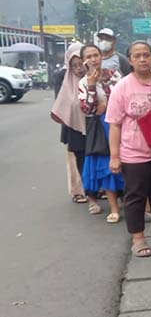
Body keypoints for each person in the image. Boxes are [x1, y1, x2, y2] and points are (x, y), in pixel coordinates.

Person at [107, 41, 151, 257]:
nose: (142, 59)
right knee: (135, 195)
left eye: (146, 55)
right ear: (130, 60)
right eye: (137, 56)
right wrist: (115, 156)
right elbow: (115, 124)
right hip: (134, 153)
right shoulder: (122, 87)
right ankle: (138, 239)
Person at [77, 44, 124, 222]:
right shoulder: (83, 82)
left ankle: (133, 202)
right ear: (83, 60)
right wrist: (91, 84)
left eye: (96, 55)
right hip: (101, 128)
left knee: (129, 163)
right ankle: (114, 208)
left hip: (120, 123)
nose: (93, 59)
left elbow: (123, 97)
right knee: (106, 166)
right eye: (88, 56)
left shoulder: (113, 75)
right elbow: (88, 109)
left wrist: (107, 103)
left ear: (101, 56)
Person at [51, 42, 87, 203]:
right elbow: (61, 101)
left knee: (93, 156)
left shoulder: (92, 75)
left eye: (82, 63)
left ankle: (95, 189)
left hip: (92, 124)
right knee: (75, 158)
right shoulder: (63, 76)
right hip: (71, 124)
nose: (79, 68)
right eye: (75, 65)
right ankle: (78, 190)